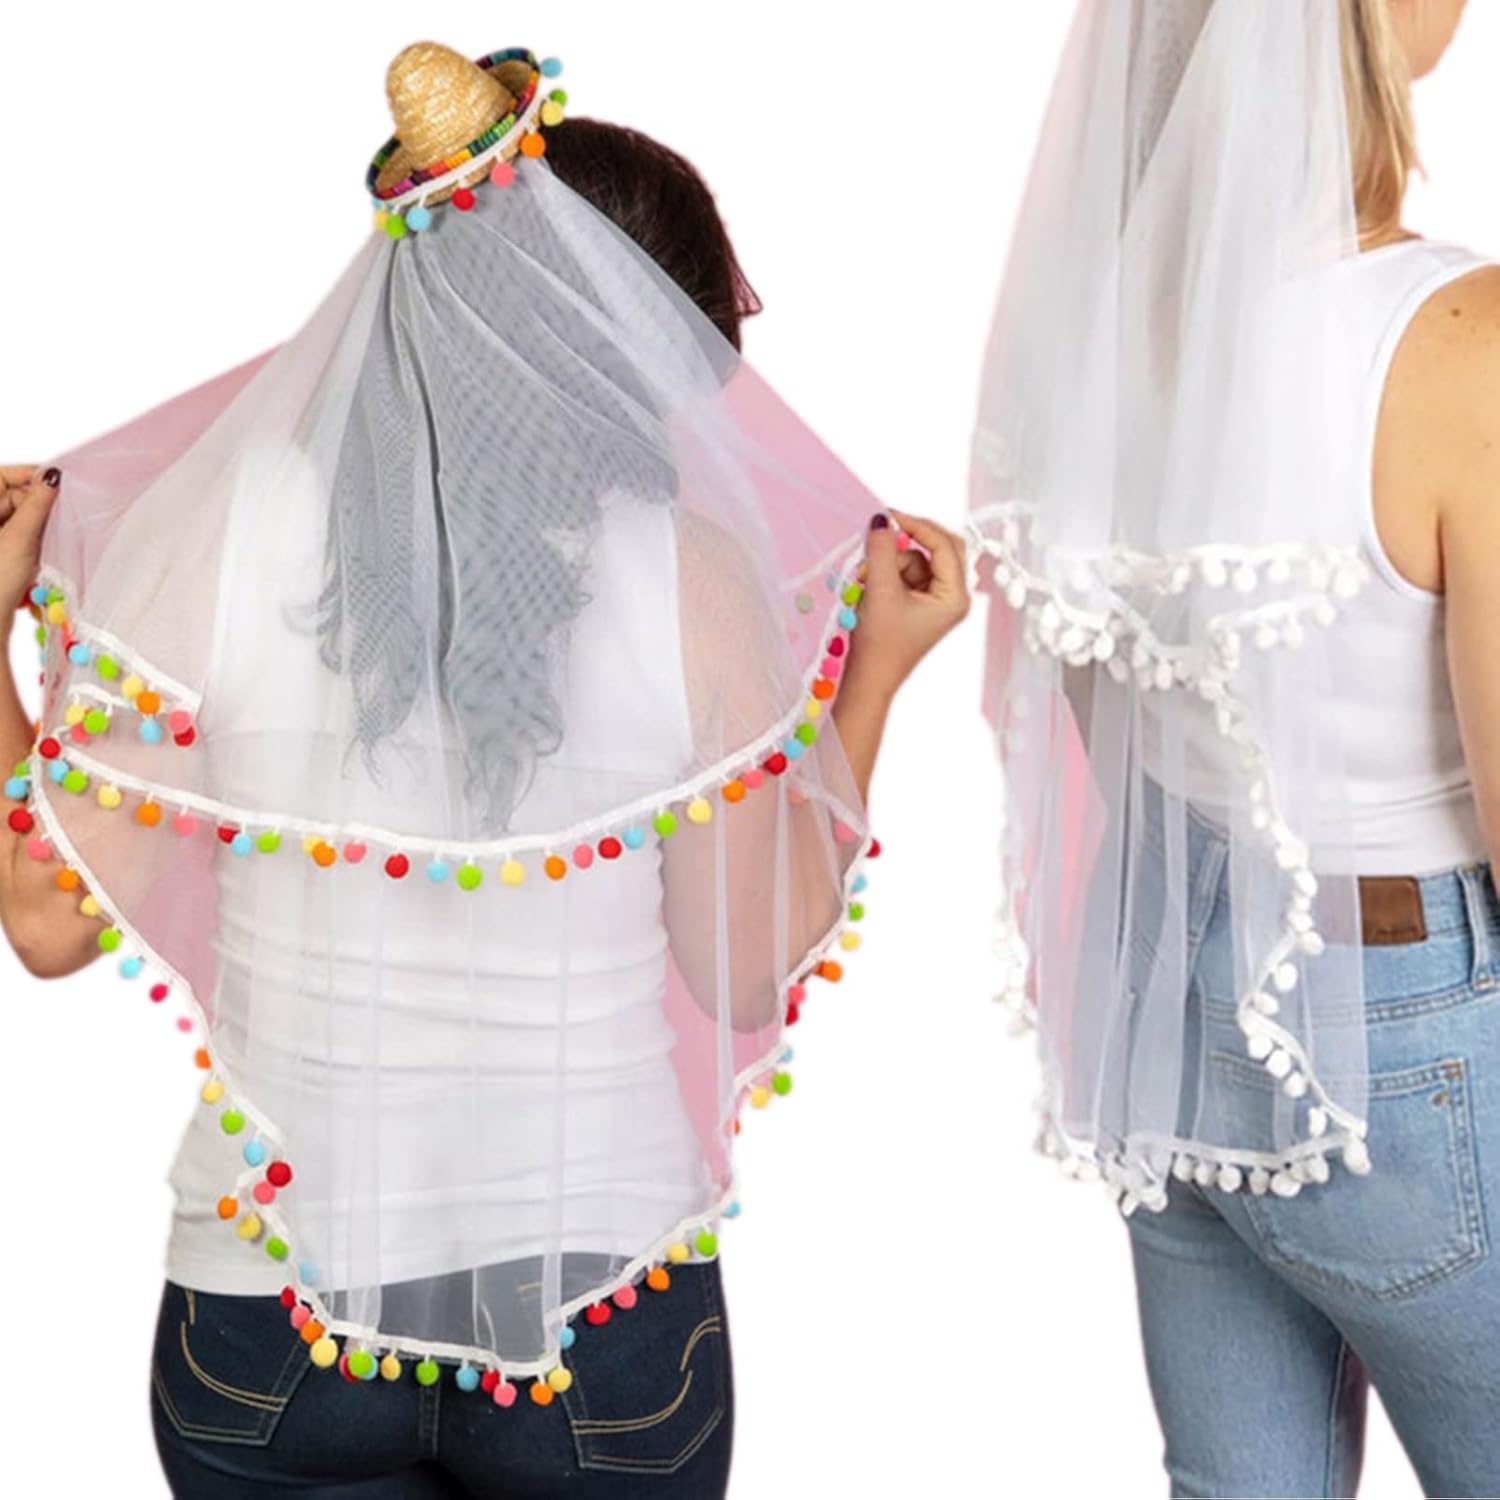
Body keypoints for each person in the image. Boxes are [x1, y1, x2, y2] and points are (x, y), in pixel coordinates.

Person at [0, 42, 967, 1499]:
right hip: (603, 1321)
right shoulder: (696, 579)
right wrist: (874, 675)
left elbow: (46, 921)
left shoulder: (208, 528)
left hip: (268, 1324)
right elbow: (744, 965)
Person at [973, 2, 1498, 1494]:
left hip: (1172, 1005)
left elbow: (1104, 708)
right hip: (1414, 1044)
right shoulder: (1461, 346)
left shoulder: (1109, 323)